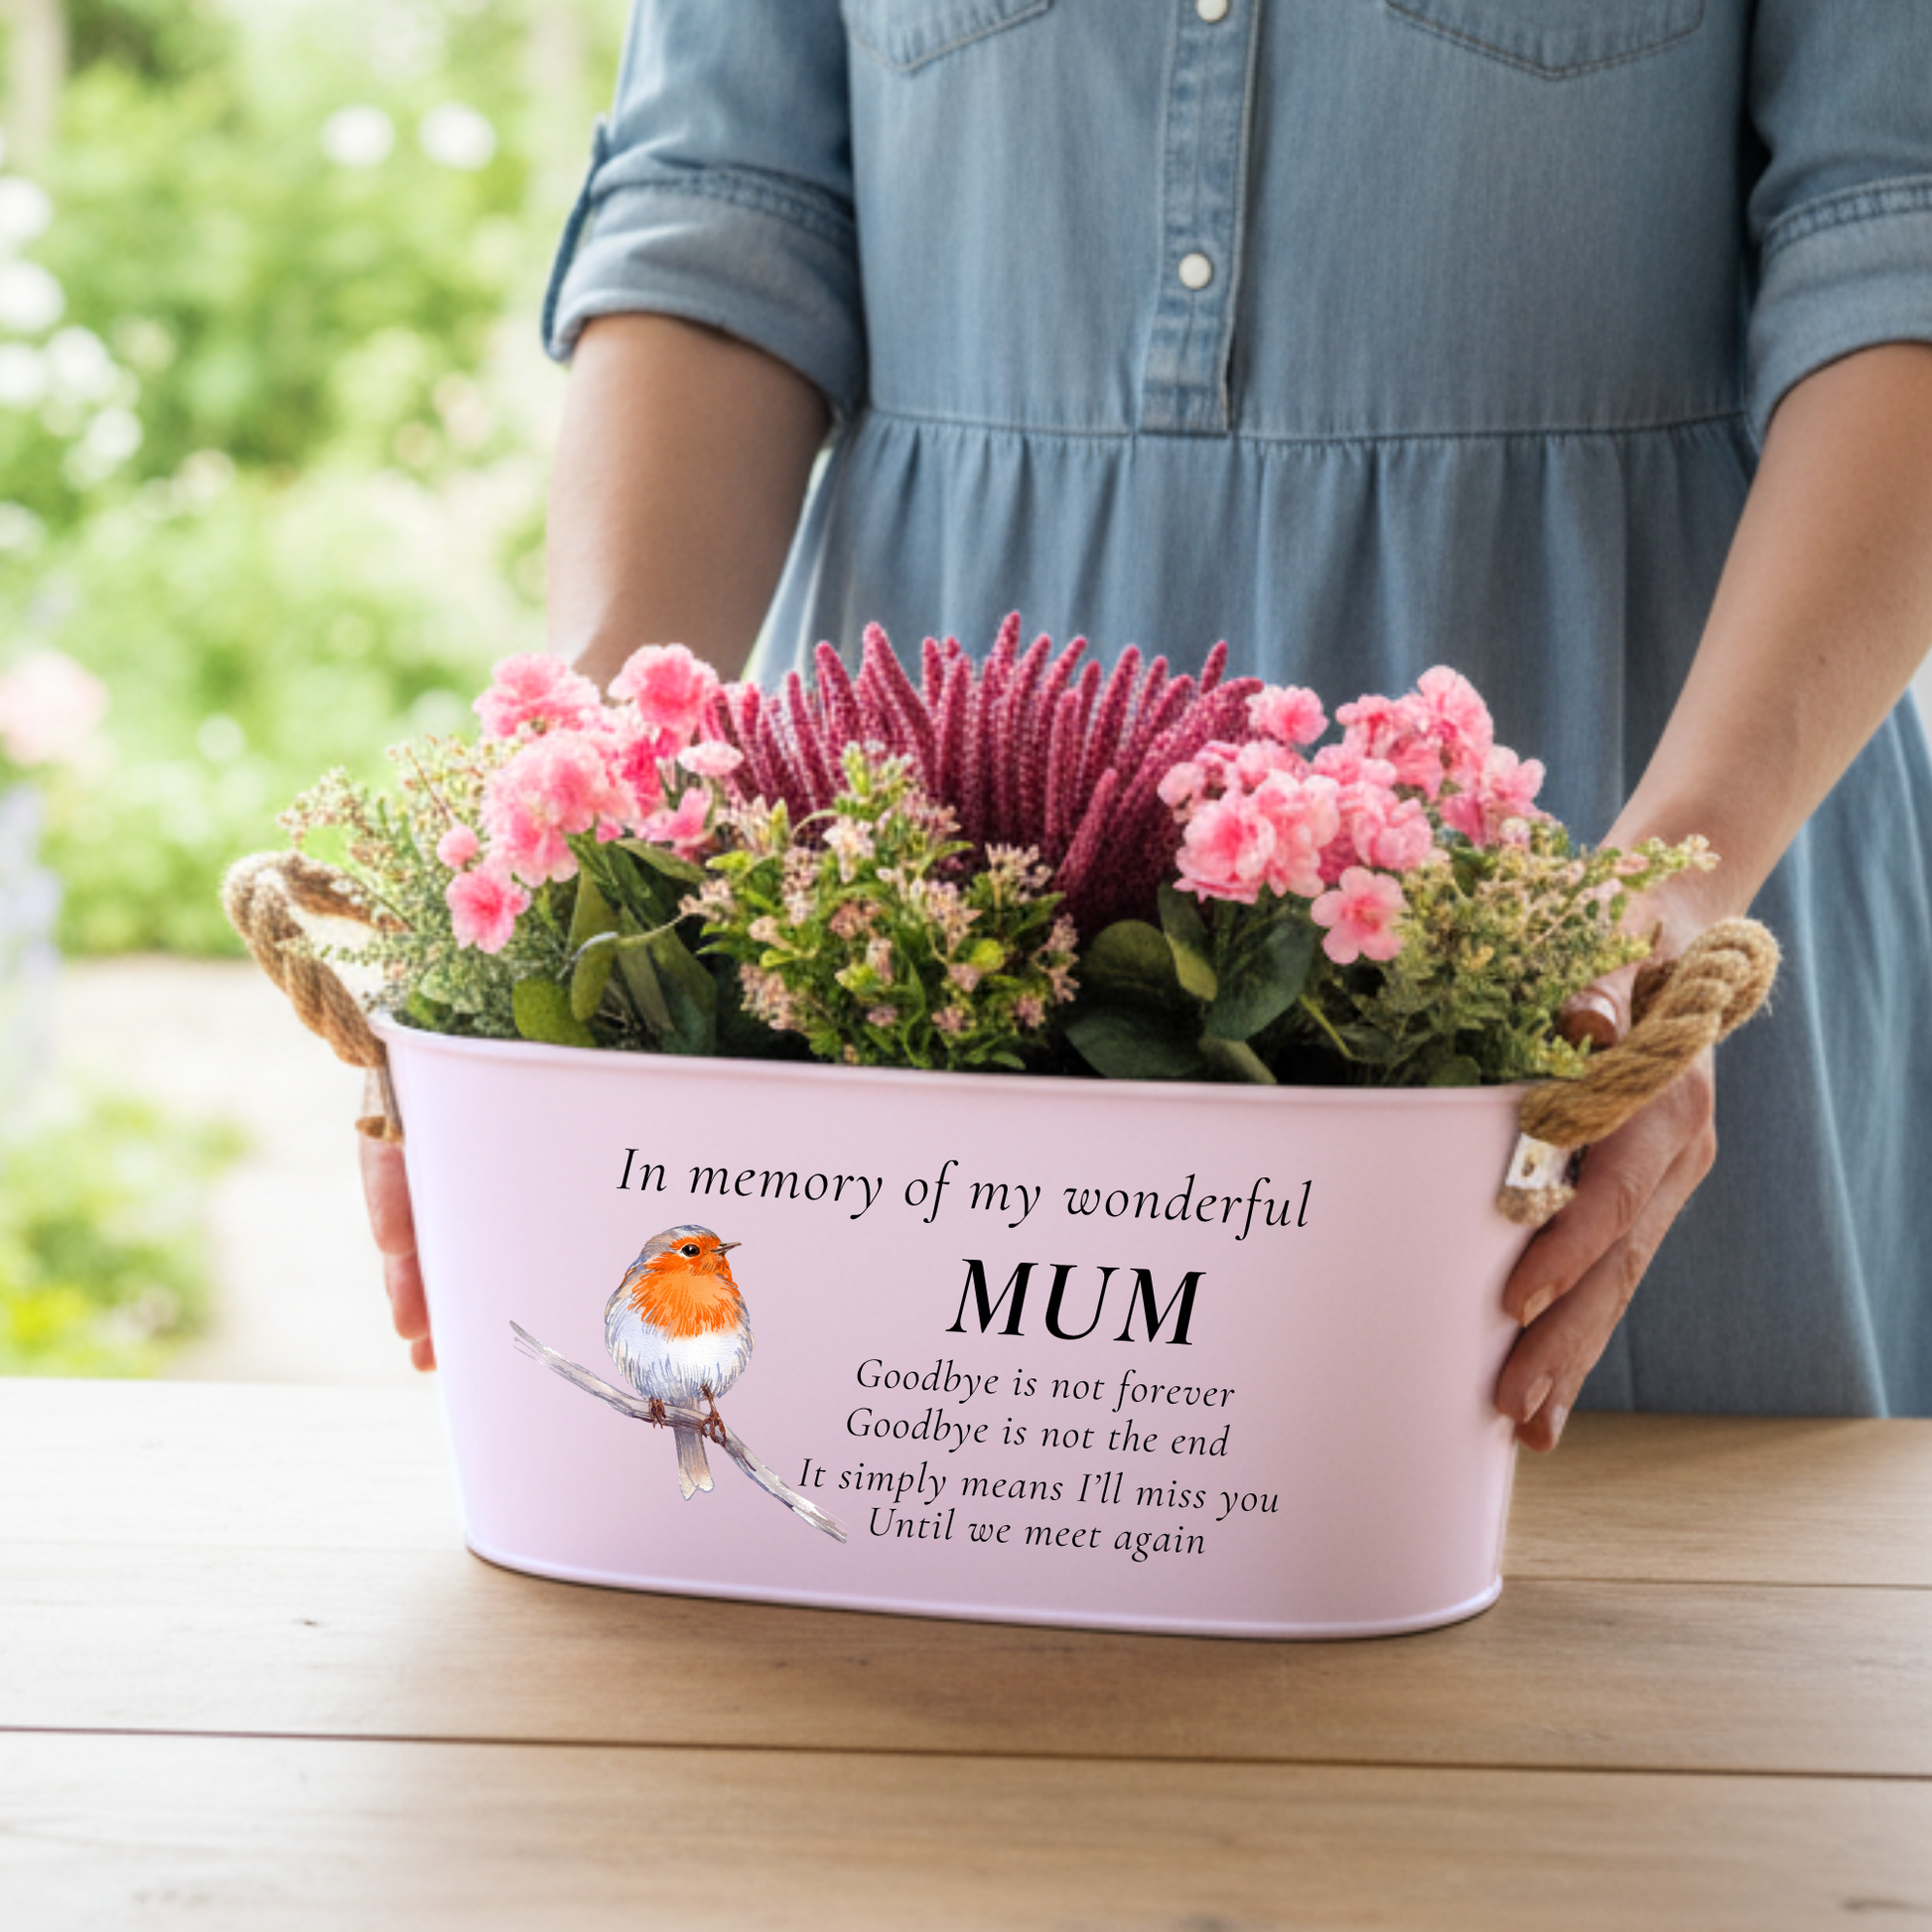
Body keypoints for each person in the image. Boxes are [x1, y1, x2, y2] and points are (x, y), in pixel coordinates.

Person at [364, 0, 1932, 1443]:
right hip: (927, 883)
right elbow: (723, 227)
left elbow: (1894, 256)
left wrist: (1664, 890)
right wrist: (569, 835)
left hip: (1631, 812)